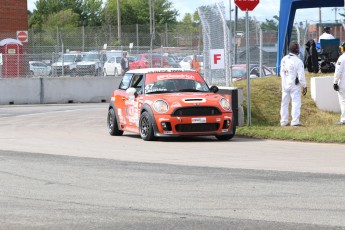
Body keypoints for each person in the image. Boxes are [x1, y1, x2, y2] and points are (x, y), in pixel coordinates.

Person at [280, 41, 308, 126]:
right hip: (294, 85)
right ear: (297, 50)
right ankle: (295, 121)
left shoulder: (284, 59)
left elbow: (282, 72)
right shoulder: (298, 61)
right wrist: (304, 86)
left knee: (284, 103)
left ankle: (284, 121)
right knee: (296, 103)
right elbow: (301, 77)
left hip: (285, 85)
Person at [333, 42, 345, 125]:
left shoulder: (342, 58)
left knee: (343, 101)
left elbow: (338, 72)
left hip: (343, 84)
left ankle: (344, 119)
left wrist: (335, 82)